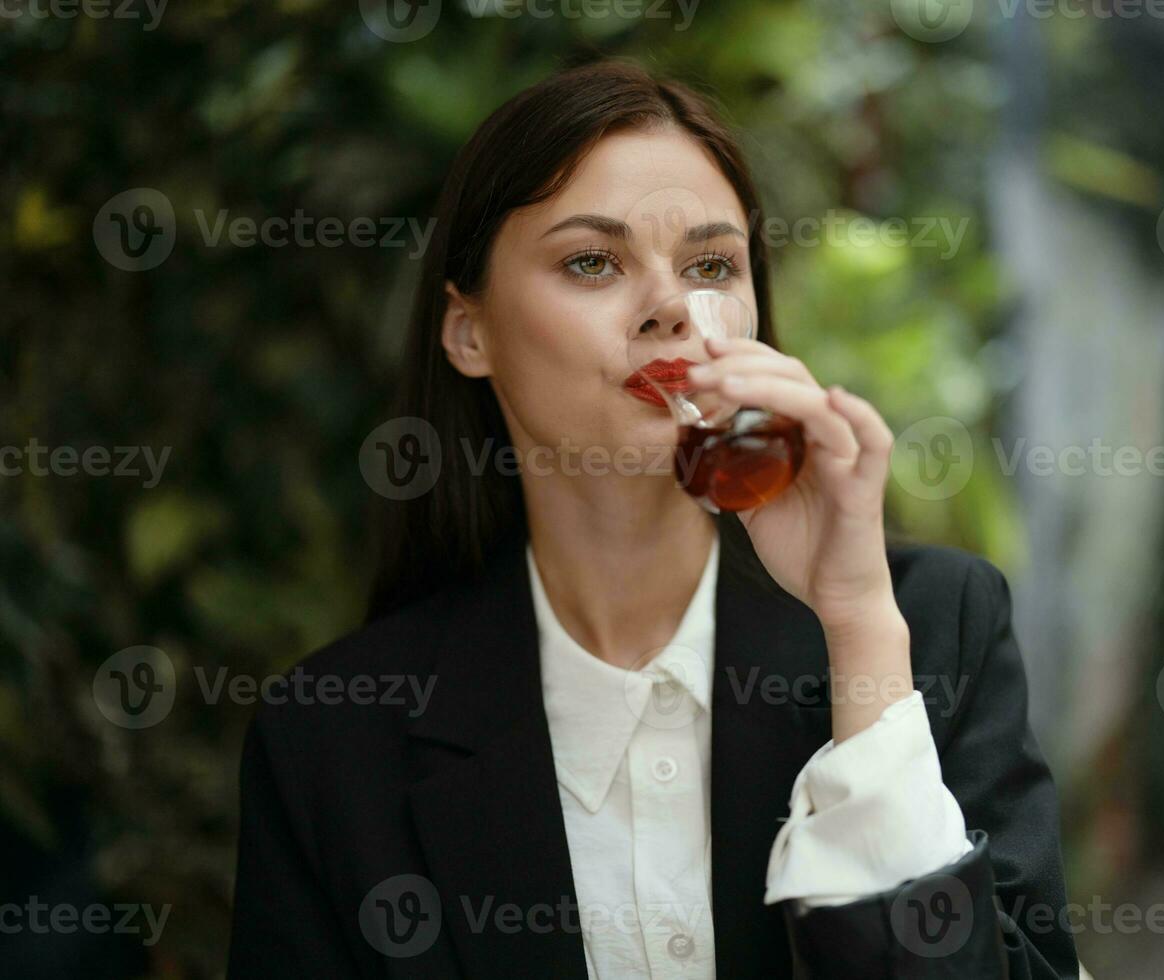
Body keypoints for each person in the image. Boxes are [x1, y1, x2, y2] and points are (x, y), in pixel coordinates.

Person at [226, 57, 1078, 979]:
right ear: (469, 331)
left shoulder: (928, 628)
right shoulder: (334, 741)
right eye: (592, 261)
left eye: (711, 264)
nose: (671, 305)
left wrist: (858, 630)